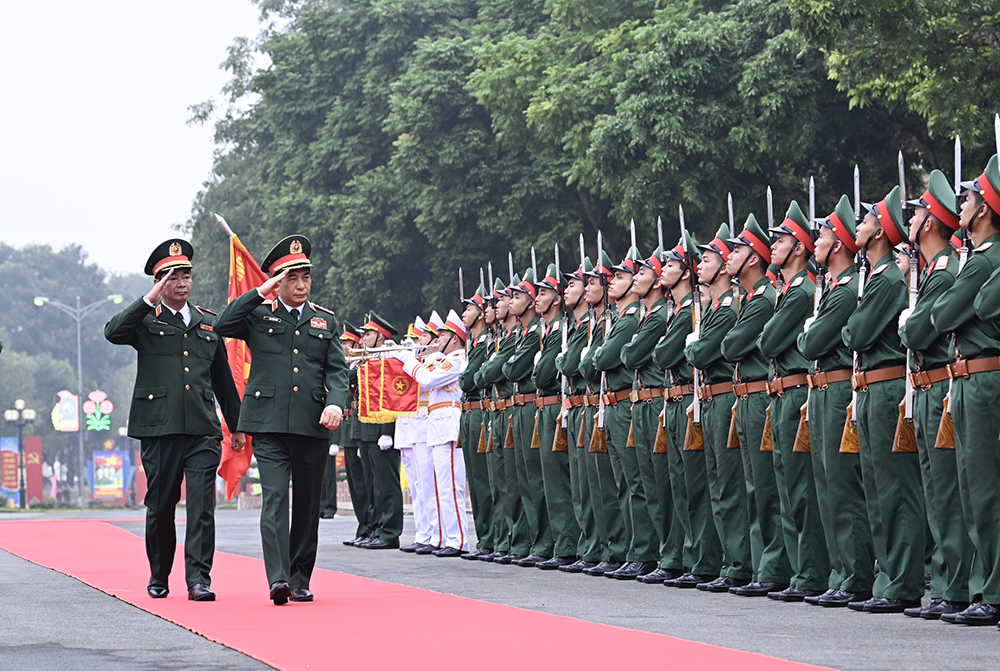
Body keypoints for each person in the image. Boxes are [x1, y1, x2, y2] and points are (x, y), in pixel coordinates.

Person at [104, 239, 244, 602]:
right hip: (160, 429)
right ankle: (159, 573)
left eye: (186, 276)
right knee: (161, 505)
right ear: (158, 282)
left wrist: (238, 424)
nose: (181, 283)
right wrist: (150, 298)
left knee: (201, 507)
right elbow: (113, 332)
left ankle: (198, 578)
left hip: (201, 429)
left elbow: (224, 382)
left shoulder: (208, 323)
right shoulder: (145, 320)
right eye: (172, 277)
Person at [213, 234, 349, 605]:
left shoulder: (326, 321)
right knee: (274, 499)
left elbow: (337, 372)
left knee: (307, 504)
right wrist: (260, 292)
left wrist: (336, 403)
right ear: (277, 281)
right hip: (268, 424)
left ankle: (300, 576)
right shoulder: (258, 315)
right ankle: (278, 578)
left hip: (313, 423)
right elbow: (223, 324)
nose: (301, 285)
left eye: (305, 277)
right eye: (292, 278)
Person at [844, 186, 923, 614]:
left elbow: (855, 334)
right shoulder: (877, 277)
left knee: (895, 489)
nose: (858, 226)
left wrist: (845, 328)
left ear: (879, 233)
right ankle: (889, 576)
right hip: (869, 385)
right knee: (875, 488)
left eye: (866, 220)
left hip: (887, 385)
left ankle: (904, 579)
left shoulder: (889, 278)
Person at [898, 171, 973, 620]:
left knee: (950, 492)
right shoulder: (931, 271)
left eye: (918, 211)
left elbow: (922, 329)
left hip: (940, 385)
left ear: (929, 224)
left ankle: (957, 585)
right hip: (923, 389)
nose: (912, 218)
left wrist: (910, 324)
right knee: (935, 492)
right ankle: (948, 586)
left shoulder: (945, 269)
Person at [798, 195, 875, 607]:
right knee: (829, 487)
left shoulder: (845, 292)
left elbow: (811, 343)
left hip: (838, 388)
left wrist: (806, 334)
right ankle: (843, 572)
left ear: (840, 245)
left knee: (844, 487)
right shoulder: (831, 288)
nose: (817, 240)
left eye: (824, 233)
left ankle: (857, 574)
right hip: (822, 389)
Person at [933, 153, 1000, 625]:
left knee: (984, 489)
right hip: (967, 376)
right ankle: (982, 587)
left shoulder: (987, 259)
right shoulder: (976, 259)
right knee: (969, 490)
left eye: (970, 197)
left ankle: (992, 590)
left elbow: (942, 316)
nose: (962, 202)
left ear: (985, 210)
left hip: (984, 376)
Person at [761, 201, 829, 602]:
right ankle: (799, 570)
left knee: (802, 489)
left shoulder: (802, 290)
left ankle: (811, 571)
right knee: (786, 488)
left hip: (796, 388)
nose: (775, 246)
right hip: (781, 390)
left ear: (799, 249)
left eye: (782, 240)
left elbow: (768, 341)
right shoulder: (790, 289)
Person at [719, 216, 786, 596]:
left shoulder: (762, 299)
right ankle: (762, 564)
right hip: (746, 395)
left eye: (738, 251)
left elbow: (730, 346)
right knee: (752, 488)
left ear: (754, 260)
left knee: (765, 487)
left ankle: (772, 566)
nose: (731, 256)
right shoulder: (748, 298)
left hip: (760, 394)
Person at [655, 235, 723, 587]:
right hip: (679, 398)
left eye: (670, 265)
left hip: (690, 397)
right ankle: (687, 555)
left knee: (698, 485)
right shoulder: (684, 312)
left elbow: (664, 356)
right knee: (681, 486)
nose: (661, 271)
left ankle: (703, 558)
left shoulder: (695, 311)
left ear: (686, 274)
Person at [681, 223, 742, 591]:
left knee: (730, 486)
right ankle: (729, 559)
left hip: (723, 395)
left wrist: (694, 346)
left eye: (707, 260)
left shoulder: (728, 308)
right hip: (709, 398)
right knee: (717, 486)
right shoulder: (714, 306)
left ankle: (738, 561)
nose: (699, 266)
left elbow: (701, 353)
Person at [621, 246, 684, 584]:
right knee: (647, 483)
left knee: (663, 484)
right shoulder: (653, 316)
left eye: (643, 274)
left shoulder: (661, 316)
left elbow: (632, 356)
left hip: (658, 402)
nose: (638, 280)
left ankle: (671, 554)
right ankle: (661, 553)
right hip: (643, 401)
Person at [398, 309, 471, 556]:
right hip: (437, 426)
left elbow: (428, 380)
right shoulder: (442, 360)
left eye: (443, 335)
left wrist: (408, 361)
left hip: (449, 425)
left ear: (456, 338)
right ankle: (442, 537)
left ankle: (457, 539)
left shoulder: (458, 360)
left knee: (451, 487)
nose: (438, 339)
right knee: (440, 487)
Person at [579, 251, 629, 576]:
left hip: (623, 402)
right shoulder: (595, 323)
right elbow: (580, 364)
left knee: (628, 485)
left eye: (591, 283)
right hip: (598, 403)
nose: (584, 289)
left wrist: (589, 357)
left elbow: (588, 363)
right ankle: (605, 549)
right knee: (592, 486)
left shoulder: (625, 319)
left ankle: (625, 550)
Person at [554, 257, 605, 574]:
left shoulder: (595, 325)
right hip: (577, 405)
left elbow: (574, 366)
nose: (580, 289)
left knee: (599, 485)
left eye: (585, 283)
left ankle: (603, 548)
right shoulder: (576, 327)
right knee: (580, 484)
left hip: (595, 403)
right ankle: (589, 546)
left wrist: (571, 360)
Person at [531, 263, 581, 570]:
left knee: (563, 480)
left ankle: (568, 544)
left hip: (557, 404)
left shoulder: (562, 330)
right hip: (545, 406)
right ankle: (558, 543)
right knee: (547, 481)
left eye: (545, 292)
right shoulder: (548, 331)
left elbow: (544, 373)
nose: (539, 298)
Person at [354, 312, 404, 550]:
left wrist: (388, 430)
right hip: (367, 431)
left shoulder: (389, 362)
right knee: (373, 485)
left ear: (381, 338)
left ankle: (390, 531)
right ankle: (377, 528)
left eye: (368, 335)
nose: (362, 338)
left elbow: (393, 397)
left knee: (387, 485)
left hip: (381, 431)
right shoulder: (368, 361)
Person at [459, 287, 495, 560]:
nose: (464, 314)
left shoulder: (486, 343)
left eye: (469, 309)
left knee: (487, 481)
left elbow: (469, 380)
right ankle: (486, 538)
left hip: (482, 412)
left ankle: (493, 538)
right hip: (470, 412)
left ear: (481, 314)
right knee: (478, 480)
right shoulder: (476, 344)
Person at [340, 322, 375, 547]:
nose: (343, 346)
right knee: (355, 482)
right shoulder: (349, 365)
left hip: (360, 421)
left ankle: (371, 526)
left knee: (366, 481)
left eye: (346, 343)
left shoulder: (361, 365)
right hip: (349, 424)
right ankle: (363, 525)